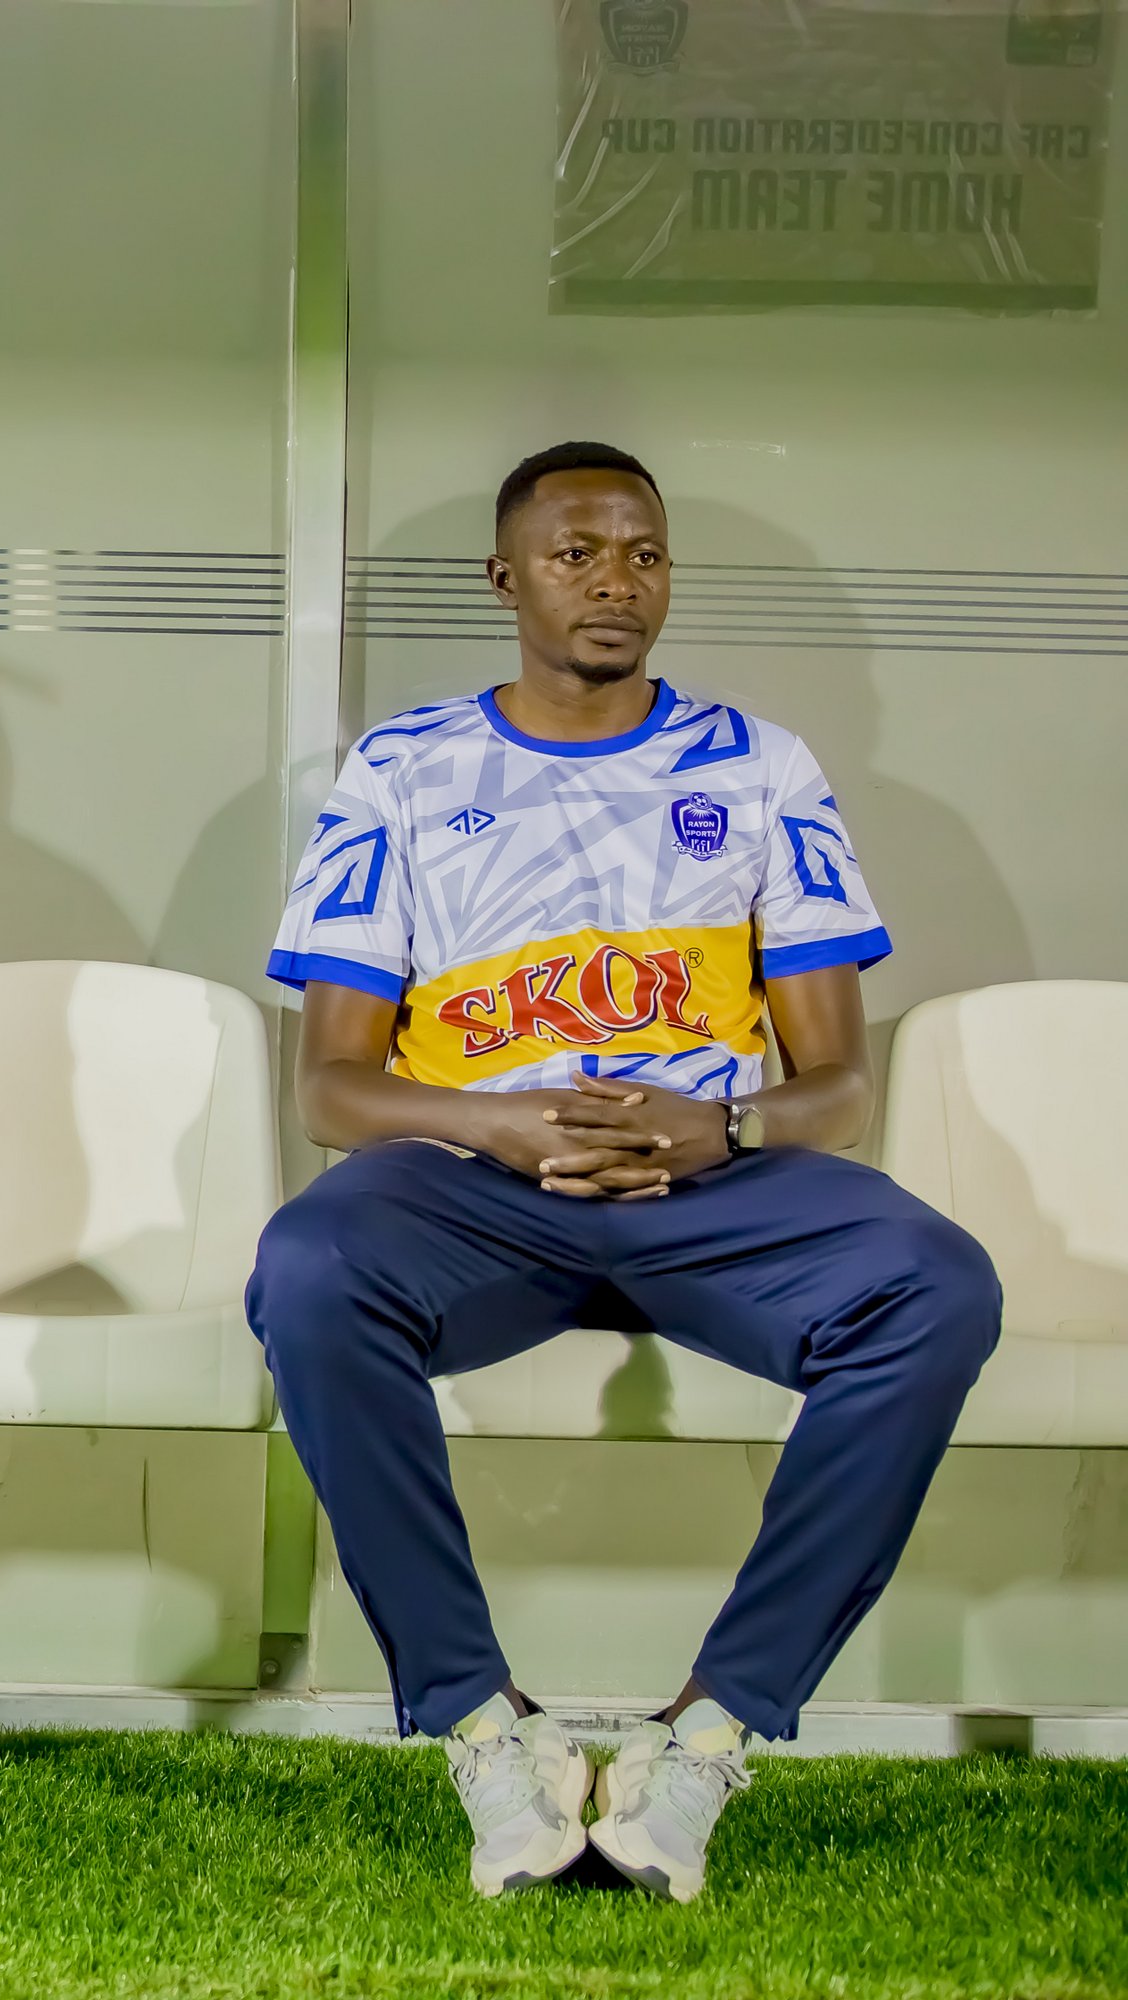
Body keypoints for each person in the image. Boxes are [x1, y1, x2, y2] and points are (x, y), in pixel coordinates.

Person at [249, 442, 998, 1903]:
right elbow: (331, 1090)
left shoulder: (760, 765)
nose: (616, 582)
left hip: (710, 1185)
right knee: (311, 1267)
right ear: (506, 577)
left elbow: (840, 1089)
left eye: (644, 554)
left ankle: (705, 1735)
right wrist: (498, 1125)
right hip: (477, 1185)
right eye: (577, 553)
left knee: (937, 1287)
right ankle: (485, 1726)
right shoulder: (402, 767)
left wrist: (720, 1128)